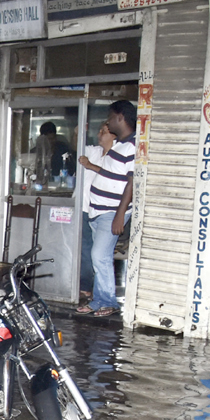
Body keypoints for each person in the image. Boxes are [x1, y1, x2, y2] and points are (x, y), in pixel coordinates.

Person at [76, 100, 135, 317]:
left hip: (112, 212)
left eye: (110, 118)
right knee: (99, 257)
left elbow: (132, 182)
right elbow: (113, 176)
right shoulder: (119, 145)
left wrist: (119, 215)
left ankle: (108, 302)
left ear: (120, 117)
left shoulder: (133, 147)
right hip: (98, 211)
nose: (109, 123)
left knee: (99, 255)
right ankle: (98, 300)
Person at [76, 123, 114, 301]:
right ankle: (85, 287)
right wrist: (78, 132)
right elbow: (77, 147)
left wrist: (90, 166)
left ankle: (91, 290)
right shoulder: (95, 151)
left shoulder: (118, 155)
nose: (99, 134)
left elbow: (113, 176)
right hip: (82, 206)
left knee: (94, 253)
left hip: (102, 210)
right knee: (84, 249)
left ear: (113, 136)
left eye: (104, 132)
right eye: (99, 130)